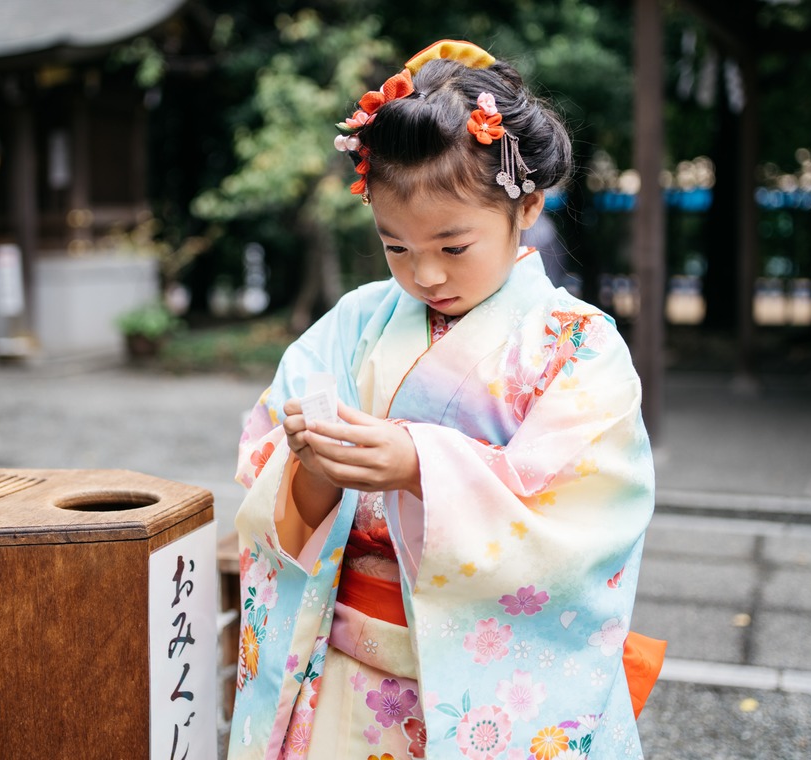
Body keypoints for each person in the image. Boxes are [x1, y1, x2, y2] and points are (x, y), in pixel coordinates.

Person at [227, 39, 664, 760]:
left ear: (528, 207)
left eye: (453, 246)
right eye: (396, 247)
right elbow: (265, 470)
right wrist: (312, 468)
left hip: (476, 688)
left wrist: (418, 464)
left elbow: (587, 516)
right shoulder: (353, 324)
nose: (425, 273)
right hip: (342, 681)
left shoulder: (577, 348)